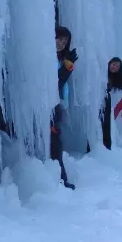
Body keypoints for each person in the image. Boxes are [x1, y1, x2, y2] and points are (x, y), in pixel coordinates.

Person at [52, 26, 77, 190]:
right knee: (54, 143)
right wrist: (67, 69)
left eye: (65, 41)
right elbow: (54, 83)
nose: (61, 43)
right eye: (59, 39)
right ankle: (61, 179)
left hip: (56, 105)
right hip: (48, 106)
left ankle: (58, 178)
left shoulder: (60, 59)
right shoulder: (49, 58)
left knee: (55, 143)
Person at [102, 57, 122, 149]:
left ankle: (106, 146)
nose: (115, 67)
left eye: (117, 66)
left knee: (106, 124)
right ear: (109, 63)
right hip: (98, 99)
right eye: (114, 64)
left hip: (106, 101)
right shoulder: (102, 72)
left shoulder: (115, 78)